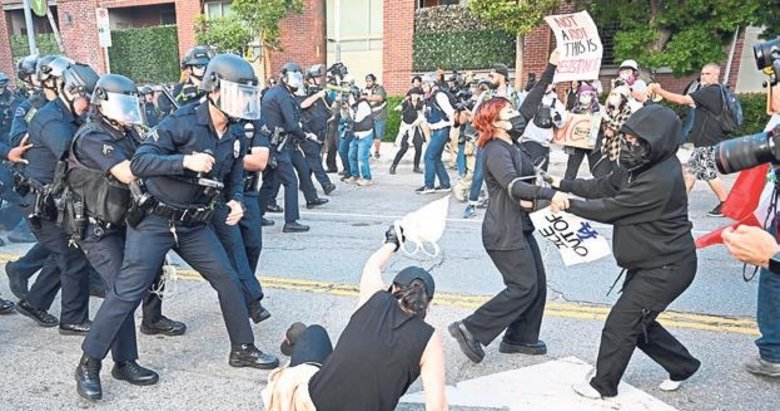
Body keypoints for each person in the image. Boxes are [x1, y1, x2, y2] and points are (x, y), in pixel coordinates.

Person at [75, 54, 280, 402]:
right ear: (213, 89)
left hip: (192, 224)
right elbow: (140, 162)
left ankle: (243, 348)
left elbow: (233, 174)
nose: (242, 103)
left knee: (228, 278)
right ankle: (89, 363)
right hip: (155, 221)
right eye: (236, 93)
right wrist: (183, 161)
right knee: (127, 292)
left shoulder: (234, 131)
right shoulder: (182, 122)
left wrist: (235, 202)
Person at [549, 105, 701, 399]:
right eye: (628, 139)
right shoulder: (638, 166)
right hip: (651, 263)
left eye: (638, 142)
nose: (630, 146)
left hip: (668, 267)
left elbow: (612, 209)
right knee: (638, 323)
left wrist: (567, 203)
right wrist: (562, 184)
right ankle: (683, 365)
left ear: (658, 144)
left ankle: (603, 385)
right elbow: (604, 186)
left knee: (621, 323)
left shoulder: (661, 178)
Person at [448, 49, 568, 364]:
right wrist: (548, 193)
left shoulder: (511, 139)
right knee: (522, 286)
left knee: (537, 285)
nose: (515, 112)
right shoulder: (496, 150)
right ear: (494, 121)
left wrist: (551, 67)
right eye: (507, 110)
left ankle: (520, 338)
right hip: (503, 232)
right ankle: (470, 329)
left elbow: (531, 102)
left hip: (519, 226)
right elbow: (514, 185)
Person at [263, 225, 447, 411]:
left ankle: (293, 340)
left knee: (314, 333)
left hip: (312, 406)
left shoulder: (374, 298)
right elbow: (438, 408)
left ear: (393, 289)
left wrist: (392, 242)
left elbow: (373, 265)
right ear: (427, 305)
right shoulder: (430, 341)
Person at [65, 73, 160, 394]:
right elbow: (127, 171)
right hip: (95, 228)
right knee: (123, 289)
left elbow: (150, 157)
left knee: (124, 291)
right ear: (101, 103)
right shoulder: (92, 136)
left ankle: (124, 362)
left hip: (123, 222)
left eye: (131, 104)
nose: (128, 111)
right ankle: (89, 364)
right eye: (122, 104)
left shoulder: (126, 132)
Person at [14, 61, 96, 334]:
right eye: (87, 98)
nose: (90, 105)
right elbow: (73, 152)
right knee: (73, 258)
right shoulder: (50, 119)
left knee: (65, 254)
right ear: (72, 91)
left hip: (56, 200)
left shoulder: (71, 115)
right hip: (41, 202)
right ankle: (72, 319)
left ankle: (34, 302)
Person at [649, 63, 729, 217]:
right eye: (702, 74)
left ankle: (726, 203)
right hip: (706, 139)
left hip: (707, 140)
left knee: (708, 173)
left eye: (707, 74)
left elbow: (681, 100)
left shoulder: (711, 91)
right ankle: (678, 205)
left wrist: (659, 91)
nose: (703, 77)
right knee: (691, 173)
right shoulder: (716, 92)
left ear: (715, 75)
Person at [259, 62, 317, 233]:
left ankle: (256, 215)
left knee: (269, 182)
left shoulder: (276, 92)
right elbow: (292, 124)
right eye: (294, 77)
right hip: (278, 145)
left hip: (269, 143)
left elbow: (294, 119)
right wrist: (305, 135)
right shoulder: (283, 95)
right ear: (284, 78)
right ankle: (291, 221)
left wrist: (305, 131)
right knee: (291, 182)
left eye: (299, 77)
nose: (297, 81)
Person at [462, 63, 518, 218]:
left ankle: (507, 205)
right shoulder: (486, 96)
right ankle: (472, 203)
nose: (489, 79)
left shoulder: (513, 96)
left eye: (492, 75)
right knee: (479, 173)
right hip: (486, 138)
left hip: (506, 140)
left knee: (507, 174)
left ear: (502, 76)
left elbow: (519, 118)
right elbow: (474, 116)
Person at [298, 65, 336, 195]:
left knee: (312, 160)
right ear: (309, 79)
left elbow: (328, 108)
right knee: (314, 159)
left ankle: (304, 183)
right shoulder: (301, 91)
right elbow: (302, 105)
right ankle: (326, 184)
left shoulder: (320, 92)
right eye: (316, 77)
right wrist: (317, 95)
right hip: (308, 132)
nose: (319, 79)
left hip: (320, 131)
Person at [416, 78, 454, 194]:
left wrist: (452, 130)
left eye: (425, 84)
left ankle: (429, 185)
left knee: (428, 157)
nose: (423, 87)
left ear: (432, 84)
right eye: (422, 85)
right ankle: (445, 184)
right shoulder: (427, 98)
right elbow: (423, 117)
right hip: (437, 131)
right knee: (436, 157)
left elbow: (450, 112)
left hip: (442, 129)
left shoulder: (439, 96)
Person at [562, 81, 604, 180]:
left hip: (593, 144)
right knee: (571, 170)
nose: (585, 96)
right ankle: (565, 189)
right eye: (583, 94)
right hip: (577, 144)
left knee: (598, 170)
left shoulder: (598, 110)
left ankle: (601, 191)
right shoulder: (574, 111)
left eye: (588, 94)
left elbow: (603, 127)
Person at [519, 83, 566, 170]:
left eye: (550, 83)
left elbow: (562, 123)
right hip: (530, 140)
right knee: (529, 172)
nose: (547, 85)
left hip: (545, 143)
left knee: (541, 174)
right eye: (546, 82)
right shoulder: (532, 97)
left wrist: (558, 119)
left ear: (554, 85)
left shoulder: (557, 104)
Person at [390, 87, 425, 175]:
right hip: (406, 128)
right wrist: (398, 108)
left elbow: (422, 115)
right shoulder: (407, 102)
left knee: (419, 145)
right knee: (404, 148)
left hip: (415, 127)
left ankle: (416, 166)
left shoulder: (420, 104)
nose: (414, 96)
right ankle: (393, 165)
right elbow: (401, 106)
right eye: (413, 94)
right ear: (410, 95)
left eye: (416, 94)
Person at [345, 86, 375, 186]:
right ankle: (355, 175)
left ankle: (367, 178)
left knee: (362, 157)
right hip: (356, 135)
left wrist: (351, 106)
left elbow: (357, 119)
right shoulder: (354, 105)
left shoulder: (363, 104)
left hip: (365, 135)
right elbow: (348, 118)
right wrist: (348, 107)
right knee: (351, 155)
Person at [365, 74, 387, 159]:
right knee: (369, 135)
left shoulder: (379, 88)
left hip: (379, 115)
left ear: (374, 81)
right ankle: (368, 152)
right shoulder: (365, 89)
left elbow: (379, 98)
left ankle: (377, 151)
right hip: (369, 116)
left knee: (377, 136)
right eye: (367, 81)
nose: (368, 83)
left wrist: (367, 98)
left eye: (370, 81)